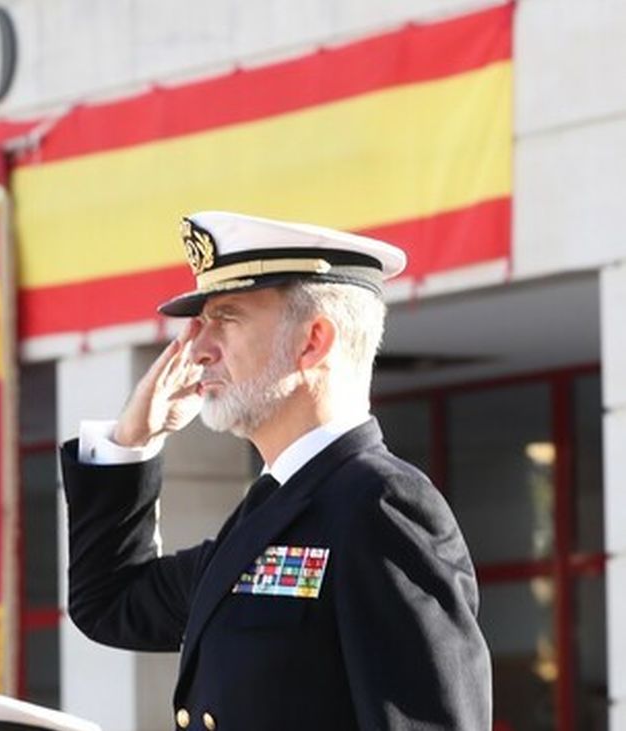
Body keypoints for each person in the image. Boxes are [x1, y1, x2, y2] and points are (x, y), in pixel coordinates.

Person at [60, 211, 492, 730]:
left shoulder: (379, 504)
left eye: (227, 318)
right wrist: (132, 441)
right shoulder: (272, 508)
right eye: (201, 323)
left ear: (313, 340)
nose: (198, 348)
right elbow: (111, 602)